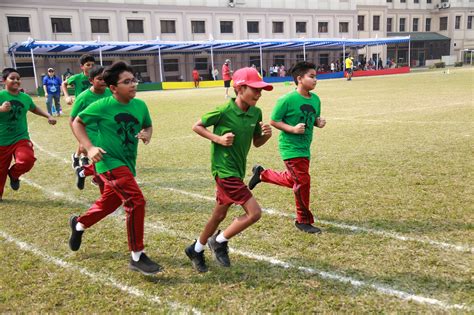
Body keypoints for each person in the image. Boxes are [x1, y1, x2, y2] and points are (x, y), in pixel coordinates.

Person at [69, 61, 161, 275]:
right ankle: (137, 256)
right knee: (136, 201)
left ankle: (79, 224)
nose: (133, 85)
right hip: (108, 163)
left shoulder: (140, 106)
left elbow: (147, 125)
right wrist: (90, 148)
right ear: (113, 88)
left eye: (134, 80)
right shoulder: (102, 105)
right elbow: (77, 122)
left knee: (109, 204)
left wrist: (147, 133)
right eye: (127, 82)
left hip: (128, 164)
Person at [184, 67, 273, 273]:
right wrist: (218, 139)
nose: (259, 94)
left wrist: (266, 136)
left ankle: (195, 249)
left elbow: (256, 142)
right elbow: (197, 126)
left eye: (261, 91)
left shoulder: (256, 112)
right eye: (255, 90)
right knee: (254, 213)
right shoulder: (224, 111)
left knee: (219, 215)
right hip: (224, 172)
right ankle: (219, 240)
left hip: (237, 170)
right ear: (240, 88)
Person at [247, 61, 326, 234]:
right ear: (299, 79)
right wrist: (292, 129)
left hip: (305, 147)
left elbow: (315, 118)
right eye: (311, 76)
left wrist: (319, 122)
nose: (315, 80)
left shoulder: (316, 99)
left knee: (295, 179)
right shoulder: (287, 99)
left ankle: (261, 174)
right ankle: (302, 220)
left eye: (316, 77)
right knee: (303, 182)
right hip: (290, 148)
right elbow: (274, 121)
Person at [0, 68, 57, 201]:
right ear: (4, 81)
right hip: (2, 141)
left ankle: (14, 174)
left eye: (18, 78)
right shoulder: (1, 96)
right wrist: (1, 109)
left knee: (27, 160)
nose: (16, 81)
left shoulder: (25, 97)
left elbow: (33, 108)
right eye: (12, 78)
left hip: (20, 137)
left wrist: (47, 115)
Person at [69, 65, 112, 190]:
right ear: (91, 81)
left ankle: (82, 172)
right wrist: (81, 141)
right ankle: (105, 197)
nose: (103, 81)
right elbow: (72, 120)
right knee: (104, 162)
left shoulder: (110, 93)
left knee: (107, 161)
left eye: (105, 78)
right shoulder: (83, 97)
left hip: (106, 133)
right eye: (100, 79)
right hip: (90, 134)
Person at [62, 54, 96, 169]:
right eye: (88, 65)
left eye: (92, 64)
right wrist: (66, 96)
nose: (91, 66)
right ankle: (83, 158)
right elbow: (64, 84)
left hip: (93, 113)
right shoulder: (77, 78)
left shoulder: (96, 78)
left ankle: (77, 156)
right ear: (82, 66)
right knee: (84, 140)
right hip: (80, 113)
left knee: (85, 140)